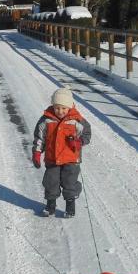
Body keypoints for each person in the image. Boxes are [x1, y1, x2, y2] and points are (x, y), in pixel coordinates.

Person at [31, 87, 92, 217]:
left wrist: (79, 142)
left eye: (64, 108)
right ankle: (50, 205)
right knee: (51, 182)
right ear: (53, 106)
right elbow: (39, 138)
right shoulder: (46, 120)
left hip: (71, 159)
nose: (60, 111)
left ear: (69, 107)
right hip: (52, 158)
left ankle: (70, 207)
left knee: (69, 183)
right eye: (57, 107)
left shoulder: (76, 120)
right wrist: (37, 153)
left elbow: (87, 133)